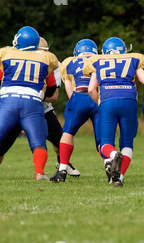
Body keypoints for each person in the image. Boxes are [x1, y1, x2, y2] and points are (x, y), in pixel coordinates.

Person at [0, 37, 81, 178]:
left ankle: (63, 165)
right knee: (3, 146)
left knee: (60, 142)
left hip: (40, 108)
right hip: (25, 107)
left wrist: (30, 93)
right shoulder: (29, 58)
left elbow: (54, 96)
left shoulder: (49, 63)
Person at [0, 26, 59, 181]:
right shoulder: (46, 58)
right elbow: (52, 88)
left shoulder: (6, 53)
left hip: (9, 99)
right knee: (39, 141)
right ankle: (39, 172)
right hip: (33, 101)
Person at [83, 37, 144, 187]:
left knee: (106, 143)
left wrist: (100, 102)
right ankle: (118, 178)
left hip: (108, 100)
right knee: (127, 143)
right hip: (129, 100)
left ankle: (114, 155)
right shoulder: (134, 59)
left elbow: (90, 89)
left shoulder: (97, 61)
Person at [50, 39, 101, 182]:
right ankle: (109, 163)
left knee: (68, 132)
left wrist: (77, 104)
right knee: (103, 137)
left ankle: (62, 170)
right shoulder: (100, 60)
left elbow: (69, 89)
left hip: (78, 96)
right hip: (97, 97)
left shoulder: (69, 62)